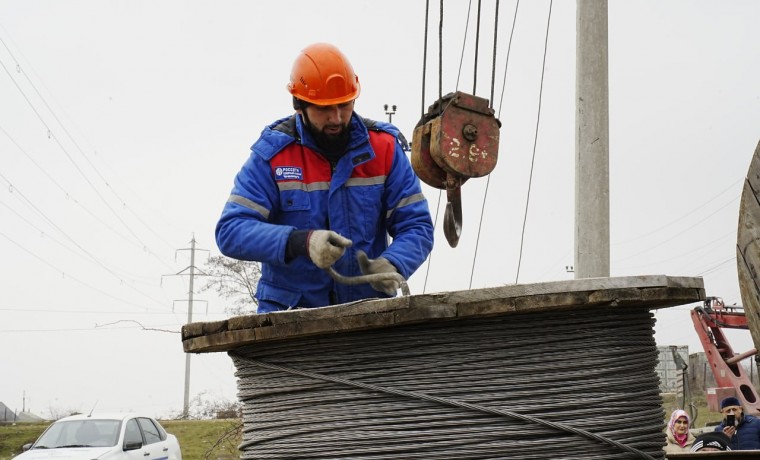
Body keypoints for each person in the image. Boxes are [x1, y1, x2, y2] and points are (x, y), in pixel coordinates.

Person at [216, 43, 434, 313]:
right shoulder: (273, 157)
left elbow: (417, 226)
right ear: (300, 106)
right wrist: (299, 242)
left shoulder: (385, 150)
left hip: (368, 316)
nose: (337, 117)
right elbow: (231, 230)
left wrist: (395, 263)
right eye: (324, 108)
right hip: (290, 319)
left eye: (344, 104)